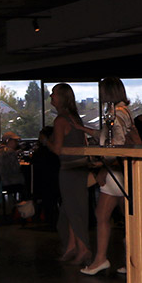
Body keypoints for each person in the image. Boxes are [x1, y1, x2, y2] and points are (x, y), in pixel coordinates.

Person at [82, 77, 142, 276]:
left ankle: (101, 259)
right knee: (127, 217)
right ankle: (131, 260)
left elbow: (115, 144)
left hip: (116, 169)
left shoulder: (115, 114)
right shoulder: (125, 112)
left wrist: (103, 167)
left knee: (103, 215)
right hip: (124, 169)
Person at [49, 83, 96, 266]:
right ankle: (72, 246)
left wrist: (45, 141)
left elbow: (57, 149)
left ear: (61, 98)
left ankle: (83, 249)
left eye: (53, 94)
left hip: (68, 169)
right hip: (80, 168)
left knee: (73, 210)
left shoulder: (60, 120)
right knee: (71, 209)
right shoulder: (74, 118)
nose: (51, 97)